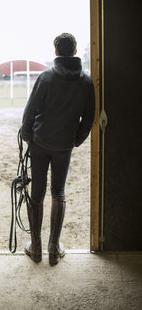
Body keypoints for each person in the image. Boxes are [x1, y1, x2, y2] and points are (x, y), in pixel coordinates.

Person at [21, 33, 95, 265]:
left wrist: (26, 136)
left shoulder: (46, 78)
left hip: (40, 142)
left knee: (37, 194)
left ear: (56, 52)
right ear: (74, 52)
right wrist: (76, 139)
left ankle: (36, 247)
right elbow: (89, 116)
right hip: (64, 145)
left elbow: (30, 110)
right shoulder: (86, 81)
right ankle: (54, 249)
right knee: (58, 193)